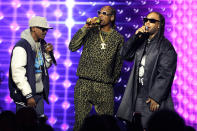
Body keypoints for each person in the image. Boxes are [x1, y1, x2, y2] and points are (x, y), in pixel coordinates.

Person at [116, 12, 177, 129]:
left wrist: (155, 96)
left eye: (152, 21)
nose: (147, 22)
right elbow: (125, 54)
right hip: (137, 93)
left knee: (150, 126)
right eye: (146, 19)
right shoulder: (141, 41)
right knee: (136, 126)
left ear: (159, 25)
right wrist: (135, 37)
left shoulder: (165, 46)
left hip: (151, 97)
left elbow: (166, 73)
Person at [69, 6, 124, 131]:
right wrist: (85, 28)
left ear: (112, 17)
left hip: (105, 86)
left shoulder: (118, 38)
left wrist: (111, 81)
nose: (100, 15)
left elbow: (118, 64)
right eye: (99, 13)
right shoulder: (90, 31)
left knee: (107, 124)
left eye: (104, 13)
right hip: (84, 82)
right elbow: (72, 46)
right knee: (80, 123)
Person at [9, 16, 54, 118]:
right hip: (26, 97)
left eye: (47, 29)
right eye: (43, 29)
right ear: (33, 28)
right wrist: (28, 95)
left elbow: (44, 67)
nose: (45, 32)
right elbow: (17, 73)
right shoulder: (22, 46)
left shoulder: (41, 44)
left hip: (38, 95)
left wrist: (48, 54)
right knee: (26, 126)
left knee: (38, 126)